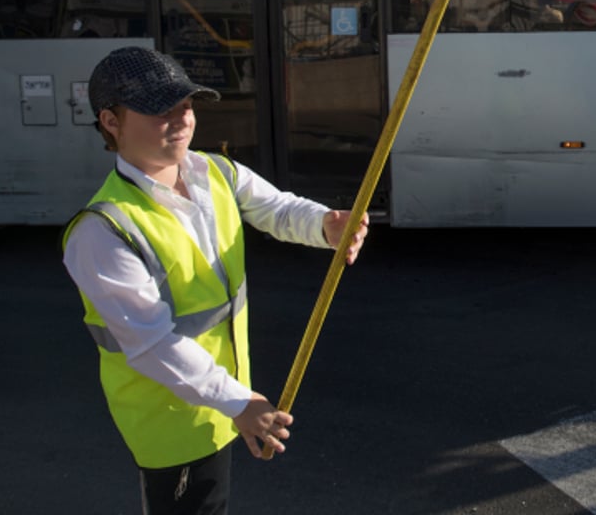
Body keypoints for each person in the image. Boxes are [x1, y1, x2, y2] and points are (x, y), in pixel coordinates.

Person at [61, 46, 369, 515]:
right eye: (159, 109)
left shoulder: (214, 172)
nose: (181, 119)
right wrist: (240, 402)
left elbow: (277, 208)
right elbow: (151, 343)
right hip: (170, 422)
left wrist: (324, 224)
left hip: (223, 402)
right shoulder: (101, 231)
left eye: (185, 105)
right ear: (110, 120)